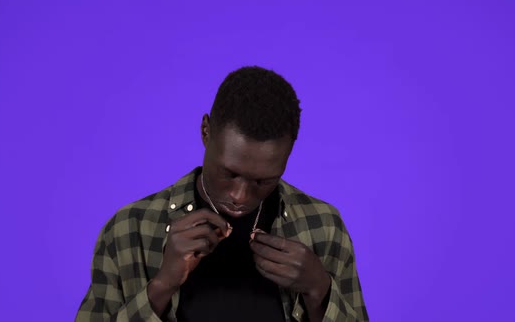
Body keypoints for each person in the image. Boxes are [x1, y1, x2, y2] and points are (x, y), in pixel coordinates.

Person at [76, 66, 369, 322]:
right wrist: (162, 285)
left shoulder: (324, 227)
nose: (240, 196)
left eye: (263, 181)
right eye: (228, 173)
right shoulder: (129, 229)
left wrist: (319, 289)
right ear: (206, 131)